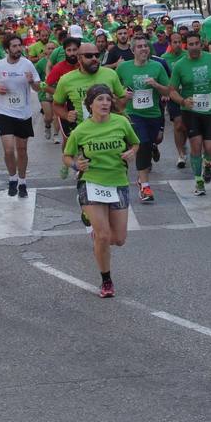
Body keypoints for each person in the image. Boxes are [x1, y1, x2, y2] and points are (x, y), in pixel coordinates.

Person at [63, 85, 139, 299]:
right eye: (100, 100)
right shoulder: (81, 130)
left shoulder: (122, 123)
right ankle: (106, 281)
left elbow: (135, 143)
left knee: (119, 239)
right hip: (91, 182)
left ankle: (94, 227)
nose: (105, 103)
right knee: (103, 236)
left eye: (107, 99)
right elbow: (67, 156)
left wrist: (131, 152)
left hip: (117, 182)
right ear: (90, 105)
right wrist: (76, 166)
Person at [115, 34, 170, 204]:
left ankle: (143, 175)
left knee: (149, 143)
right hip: (133, 114)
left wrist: (156, 85)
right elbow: (115, 93)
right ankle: (144, 185)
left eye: (145, 46)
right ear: (133, 50)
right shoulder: (123, 68)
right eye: (139, 46)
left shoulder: (157, 66)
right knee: (143, 143)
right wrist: (123, 94)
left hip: (153, 114)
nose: (144, 49)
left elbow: (168, 91)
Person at [169, 34, 211, 195]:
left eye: (196, 43)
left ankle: (207, 163)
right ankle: (198, 182)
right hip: (190, 111)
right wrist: (182, 101)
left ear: (201, 45)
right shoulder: (180, 65)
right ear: (185, 46)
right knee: (196, 146)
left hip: (209, 110)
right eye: (190, 44)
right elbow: (172, 90)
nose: (194, 47)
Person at [0, 34, 42, 198]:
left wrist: (32, 82)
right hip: (4, 111)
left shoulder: (27, 64)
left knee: (22, 149)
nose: (18, 49)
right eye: (14, 46)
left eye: (20, 45)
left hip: (23, 112)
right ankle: (12, 178)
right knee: (9, 149)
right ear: (7, 49)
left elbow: (38, 88)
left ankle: (22, 182)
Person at [163, 31, 190, 168]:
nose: (178, 44)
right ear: (170, 44)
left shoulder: (188, 55)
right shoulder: (164, 58)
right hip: (173, 95)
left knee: (186, 124)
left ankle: (183, 145)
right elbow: (162, 77)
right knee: (178, 124)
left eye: (180, 41)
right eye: (175, 42)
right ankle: (181, 154)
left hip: (188, 94)